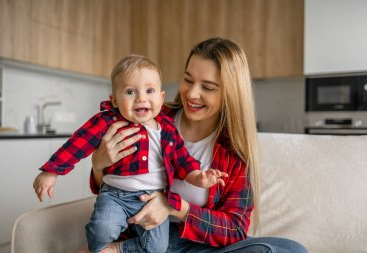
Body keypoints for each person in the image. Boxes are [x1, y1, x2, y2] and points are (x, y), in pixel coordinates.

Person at [85, 38, 308, 253]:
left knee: (290, 250)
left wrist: (175, 206)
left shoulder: (233, 151)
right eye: (188, 80)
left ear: (230, 94)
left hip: (195, 245)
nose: (192, 94)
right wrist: (97, 165)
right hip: (144, 239)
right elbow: (108, 190)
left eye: (208, 87)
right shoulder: (148, 116)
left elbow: (235, 229)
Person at [33, 55, 227, 253]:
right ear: (114, 100)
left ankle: (119, 249)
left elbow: (183, 160)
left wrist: (199, 178)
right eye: (130, 91)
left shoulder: (167, 128)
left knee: (157, 248)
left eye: (149, 90)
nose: (141, 98)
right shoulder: (107, 121)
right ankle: (96, 248)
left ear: (161, 97)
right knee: (102, 230)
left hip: (152, 198)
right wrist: (51, 171)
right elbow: (77, 144)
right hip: (114, 196)